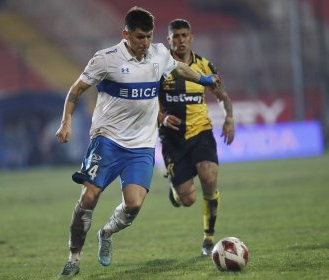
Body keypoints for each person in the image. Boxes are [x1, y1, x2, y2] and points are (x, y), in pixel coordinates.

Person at [55, 7, 220, 278]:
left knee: (133, 204)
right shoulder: (105, 60)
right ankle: (73, 258)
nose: (145, 43)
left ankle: (106, 232)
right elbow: (76, 90)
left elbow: (178, 68)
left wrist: (204, 79)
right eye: (140, 37)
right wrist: (66, 122)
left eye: (148, 37)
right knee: (89, 197)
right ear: (126, 34)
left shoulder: (158, 54)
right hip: (107, 139)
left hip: (141, 145)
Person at [157, 19, 235, 257]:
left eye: (184, 35)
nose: (181, 40)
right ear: (169, 40)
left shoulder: (205, 65)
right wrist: (161, 118)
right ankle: (176, 190)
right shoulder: (159, 66)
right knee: (188, 199)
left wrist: (229, 118)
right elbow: (145, 103)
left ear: (191, 38)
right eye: (176, 36)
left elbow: (222, 95)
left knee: (209, 177)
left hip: (201, 131)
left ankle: (208, 238)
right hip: (172, 139)